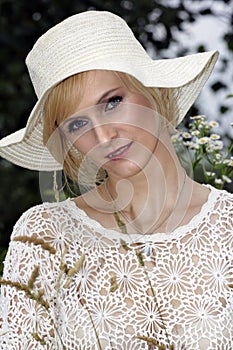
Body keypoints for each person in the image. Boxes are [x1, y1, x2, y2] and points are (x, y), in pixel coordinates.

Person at [0, 10, 232, 350]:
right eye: (77, 124)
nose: (104, 135)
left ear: (155, 93)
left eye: (113, 102)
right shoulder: (46, 235)